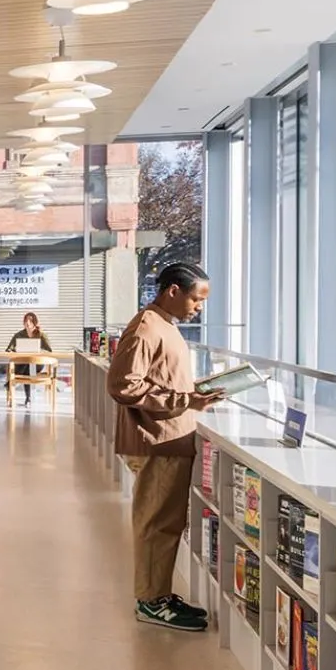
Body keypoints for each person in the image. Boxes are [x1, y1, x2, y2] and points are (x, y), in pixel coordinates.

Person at [110, 261, 224, 631]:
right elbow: (123, 385)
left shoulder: (164, 325)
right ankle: (150, 600)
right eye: (196, 298)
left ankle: (157, 592)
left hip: (170, 438)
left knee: (167, 522)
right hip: (155, 440)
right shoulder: (146, 327)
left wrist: (191, 395)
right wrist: (184, 401)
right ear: (172, 291)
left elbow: (161, 377)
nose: (199, 307)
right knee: (156, 523)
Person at [4, 311, 53, 405]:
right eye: (26, 321)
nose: (28, 323)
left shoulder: (41, 335)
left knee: (28, 362)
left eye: (30, 321)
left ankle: (10, 384)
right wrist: (13, 351)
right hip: (23, 364)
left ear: (35, 322)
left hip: (38, 364)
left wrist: (39, 351)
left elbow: (49, 350)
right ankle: (28, 398)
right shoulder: (18, 335)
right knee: (26, 365)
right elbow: (9, 349)